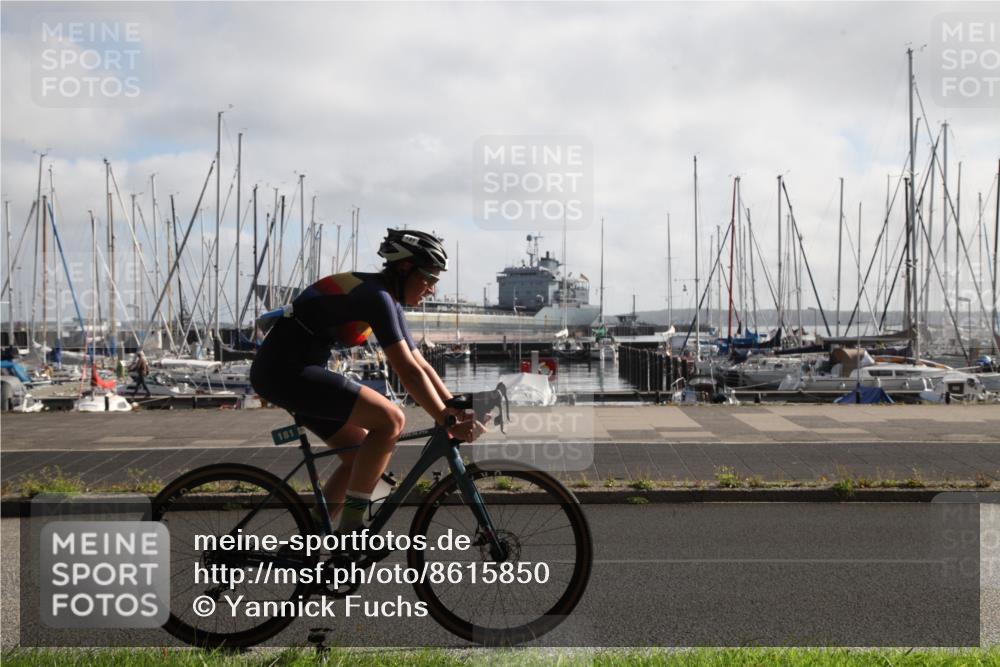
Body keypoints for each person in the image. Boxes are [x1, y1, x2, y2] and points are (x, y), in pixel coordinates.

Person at [250, 229, 485, 535]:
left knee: (359, 458)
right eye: (429, 277)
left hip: (293, 372)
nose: (432, 289)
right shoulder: (376, 297)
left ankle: (310, 542)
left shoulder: (388, 298)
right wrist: (444, 418)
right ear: (404, 268)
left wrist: (452, 405)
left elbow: (420, 364)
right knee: (390, 420)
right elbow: (407, 372)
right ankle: (350, 529)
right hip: (285, 373)